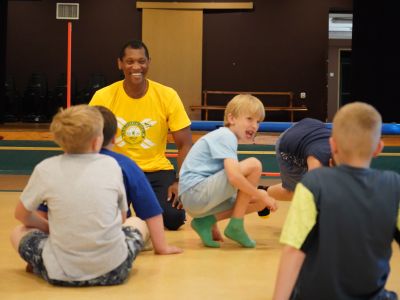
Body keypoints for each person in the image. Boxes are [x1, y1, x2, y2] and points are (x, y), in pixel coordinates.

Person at [273, 102, 400, 300]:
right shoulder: (395, 186)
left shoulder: (312, 183)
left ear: (333, 145)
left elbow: (293, 251)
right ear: (378, 148)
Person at [9, 105, 147, 286]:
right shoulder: (112, 165)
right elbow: (121, 219)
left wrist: (48, 227)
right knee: (137, 222)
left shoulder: (45, 168)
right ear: (97, 141)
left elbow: (21, 215)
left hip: (60, 274)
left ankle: (39, 263)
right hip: (114, 271)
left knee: (18, 232)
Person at [89, 40, 192, 231]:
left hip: (156, 171)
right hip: (119, 171)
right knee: (111, 221)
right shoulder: (103, 96)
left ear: (149, 62)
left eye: (141, 61)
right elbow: (89, 141)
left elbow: (185, 144)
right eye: (129, 62)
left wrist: (181, 182)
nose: (136, 67)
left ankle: (146, 211)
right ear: (120, 63)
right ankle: (137, 214)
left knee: (173, 218)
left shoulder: (167, 95)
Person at [179, 94, 278, 248]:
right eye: (249, 119)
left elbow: (215, 176)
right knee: (254, 165)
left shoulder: (226, 138)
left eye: (258, 122)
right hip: (194, 193)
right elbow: (234, 178)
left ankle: (207, 221)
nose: (254, 126)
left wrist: (261, 197)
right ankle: (236, 225)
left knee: (260, 200)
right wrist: (260, 194)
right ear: (231, 119)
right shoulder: (225, 136)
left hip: (197, 198)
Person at [95, 105, 182, 255]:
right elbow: (151, 212)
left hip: (59, 264)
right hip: (112, 263)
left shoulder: (51, 167)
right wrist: (162, 248)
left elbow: (42, 217)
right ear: (115, 138)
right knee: (137, 222)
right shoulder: (126, 164)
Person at [265, 117, 332, 201]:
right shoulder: (316, 161)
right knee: (297, 194)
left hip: (308, 128)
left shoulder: (345, 154)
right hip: (288, 145)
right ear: (330, 163)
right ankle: (263, 193)